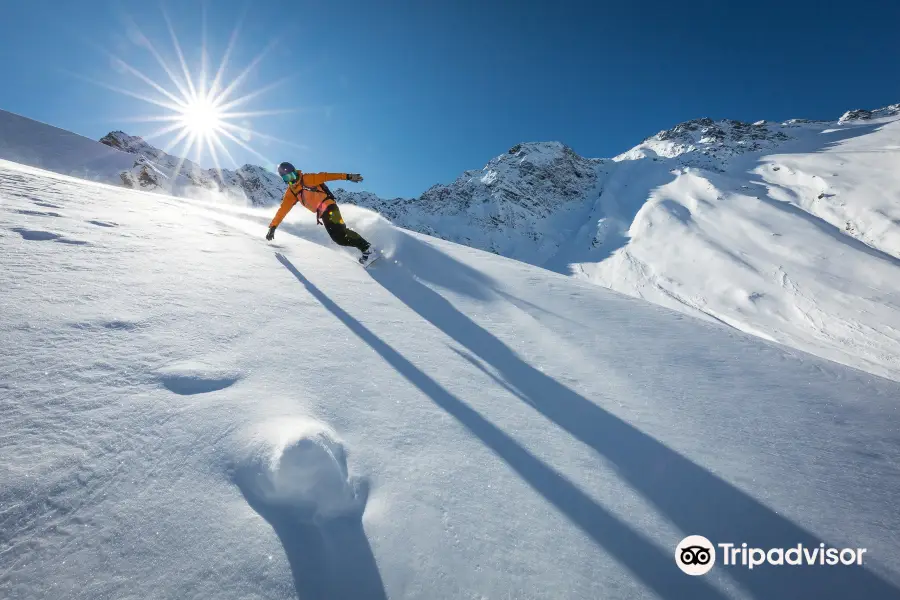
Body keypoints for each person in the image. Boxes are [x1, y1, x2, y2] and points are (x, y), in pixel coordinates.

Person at [266, 161, 374, 264]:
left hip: (329, 207)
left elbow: (327, 176)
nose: (292, 180)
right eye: (287, 178)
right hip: (323, 213)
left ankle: (367, 248)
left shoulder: (307, 178)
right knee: (339, 237)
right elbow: (283, 210)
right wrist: (273, 227)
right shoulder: (292, 192)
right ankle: (366, 248)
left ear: (295, 172)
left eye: (292, 176)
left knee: (339, 235)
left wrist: (348, 176)